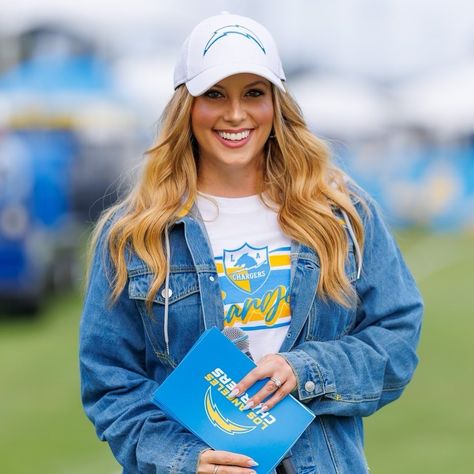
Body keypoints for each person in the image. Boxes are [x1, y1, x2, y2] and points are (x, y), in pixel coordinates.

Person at [80, 12, 423, 474]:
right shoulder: (136, 232)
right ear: (187, 106)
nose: (236, 113)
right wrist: (184, 459)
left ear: (277, 104)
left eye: (254, 94)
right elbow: (109, 381)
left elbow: (395, 340)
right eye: (215, 94)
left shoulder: (342, 215)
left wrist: (305, 370)